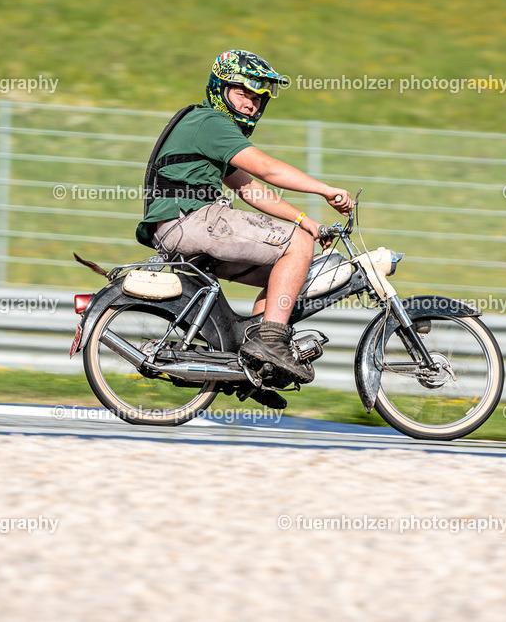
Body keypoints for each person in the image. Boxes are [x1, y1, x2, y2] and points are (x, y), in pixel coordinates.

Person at [136, 50, 352, 407]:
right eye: (243, 94)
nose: (250, 105)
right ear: (220, 90)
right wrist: (325, 190)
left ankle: (255, 367)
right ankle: (270, 343)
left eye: (257, 99)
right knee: (297, 246)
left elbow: (252, 189)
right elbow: (267, 169)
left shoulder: (206, 131)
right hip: (190, 220)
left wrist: (308, 222)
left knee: (287, 272)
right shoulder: (210, 122)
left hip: (180, 226)